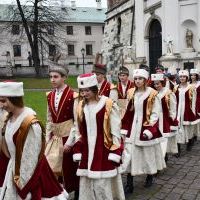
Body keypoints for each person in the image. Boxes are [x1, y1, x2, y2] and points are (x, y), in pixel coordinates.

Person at [0, 81, 68, 199]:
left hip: (32, 176)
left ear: (15, 99)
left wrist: (23, 186)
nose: (1, 105)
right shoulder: (10, 118)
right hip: (15, 171)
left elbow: (30, 159)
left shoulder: (30, 124)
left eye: (4, 101)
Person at [72, 73, 125, 200]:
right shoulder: (80, 105)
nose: (84, 94)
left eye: (87, 90)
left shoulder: (108, 104)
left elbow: (116, 130)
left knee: (102, 185)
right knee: (87, 184)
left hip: (103, 151)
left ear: (95, 89)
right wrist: (78, 148)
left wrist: (115, 151)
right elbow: (78, 130)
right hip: (86, 151)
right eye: (82, 91)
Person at [120, 69, 166, 194]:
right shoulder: (131, 93)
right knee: (129, 156)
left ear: (145, 80)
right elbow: (128, 112)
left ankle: (150, 176)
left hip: (145, 128)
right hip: (132, 129)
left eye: (140, 79)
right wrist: (124, 128)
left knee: (147, 154)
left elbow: (155, 113)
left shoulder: (152, 94)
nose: (138, 81)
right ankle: (129, 183)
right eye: (136, 79)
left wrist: (150, 129)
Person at [45, 66, 79, 198]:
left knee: (69, 167)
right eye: (51, 77)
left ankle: (76, 191)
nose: (52, 79)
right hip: (55, 137)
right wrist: (48, 136)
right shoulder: (49, 95)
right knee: (52, 166)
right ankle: (59, 194)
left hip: (68, 135)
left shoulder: (73, 95)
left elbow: (76, 121)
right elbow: (49, 118)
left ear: (64, 78)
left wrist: (70, 142)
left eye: (56, 77)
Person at [151, 73, 178, 161]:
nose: (156, 86)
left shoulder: (168, 93)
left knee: (163, 139)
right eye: (154, 84)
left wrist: (172, 121)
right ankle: (160, 157)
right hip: (155, 120)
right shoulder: (152, 93)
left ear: (162, 83)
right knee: (155, 140)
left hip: (164, 120)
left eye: (158, 83)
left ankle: (162, 157)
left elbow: (173, 108)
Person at [173, 70, 199, 155]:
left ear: (187, 77)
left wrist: (194, 111)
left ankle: (190, 141)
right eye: (180, 77)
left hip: (187, 109)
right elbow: (174, 100)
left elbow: (194, 100)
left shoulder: (191, 87)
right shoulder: (176, 87)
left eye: (184, 77)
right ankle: (178, 148)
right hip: (178, 110)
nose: (182, 78)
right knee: (177, 129)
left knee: (187, 128)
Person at [190, 68, 200, 141]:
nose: (193, 77)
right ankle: (193, 133)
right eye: (191, 75)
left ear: (197, 76)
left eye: (194, 75)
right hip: (191, 102)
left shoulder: (199, 84)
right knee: (193, 116)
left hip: (198, 101)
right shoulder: (189, 84)